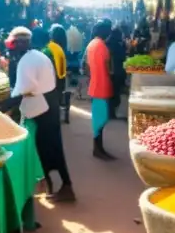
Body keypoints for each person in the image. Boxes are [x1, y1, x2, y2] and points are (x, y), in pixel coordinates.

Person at [19, 27, 75, 202]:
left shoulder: (41, 55)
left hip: (45, 108)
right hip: (51, 104)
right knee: (50, 148)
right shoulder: (49, 52)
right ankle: (54, 186)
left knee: (48, 148)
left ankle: (62, 187)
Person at [84, 21, 115, 160]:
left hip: (94, 85)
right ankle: (97, 149)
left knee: (98, 119)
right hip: (102, 87)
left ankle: (99, 148)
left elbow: (87, 67)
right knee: (101, 120)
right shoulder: (103, 47)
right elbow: (109, 70)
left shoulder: (91, 44)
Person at [107, 26, 127, 120]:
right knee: (115, 93)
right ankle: (112, 113)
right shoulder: (119, 45)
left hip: (110, 72)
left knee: (111, 93)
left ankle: (110, 113)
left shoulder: (107, 43)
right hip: (117, 72)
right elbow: (123, 57)